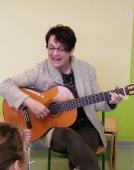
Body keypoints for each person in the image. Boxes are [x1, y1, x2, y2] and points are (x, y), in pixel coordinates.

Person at [0, 24, 124, 170]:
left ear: (71, 50)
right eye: (51, 48)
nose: (55, 53)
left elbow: (96, 102)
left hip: (85, 124)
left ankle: (75, 166)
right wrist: (30, 102)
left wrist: (110, 101)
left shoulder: (86, 70)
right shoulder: (40, 70)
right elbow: (5, 85)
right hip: (52, 129)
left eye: (61, 49)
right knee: (71, 138)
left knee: (86, 145)